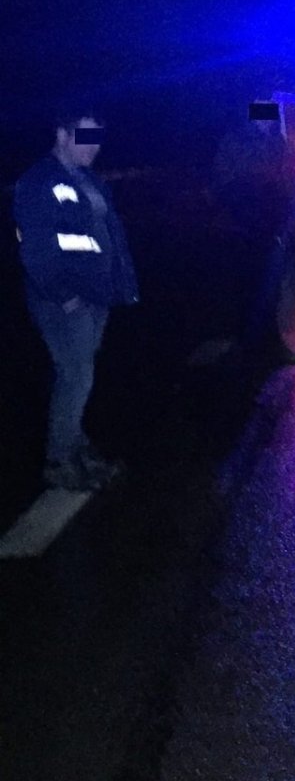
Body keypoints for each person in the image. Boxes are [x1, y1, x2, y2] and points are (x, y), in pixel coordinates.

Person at [12, 103, 139, 491]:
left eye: (97, 138)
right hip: (64, 301)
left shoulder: (87, 179)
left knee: (78, 375)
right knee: (76, 376)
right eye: (85, 137)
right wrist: (64, 295)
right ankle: (60, 460)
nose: (93, 147)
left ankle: (77, 447)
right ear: (62, 135)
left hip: (95, 295)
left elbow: (106, 236)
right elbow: (36, 248)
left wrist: (116, 285)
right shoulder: (39, 181)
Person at [212, 99, 295, 370]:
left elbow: (288, 180)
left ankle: (272, 345)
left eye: (269, 108)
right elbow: (223, 180)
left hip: (272, 227)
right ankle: (244, 347)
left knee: (273, 289)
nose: (266, 115)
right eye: (261, 108)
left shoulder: (278, 143)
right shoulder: (236, 141)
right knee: (244, 288)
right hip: (244, 226)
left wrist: (289, 211)